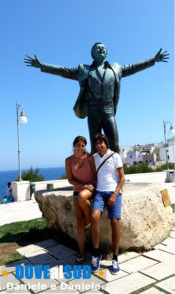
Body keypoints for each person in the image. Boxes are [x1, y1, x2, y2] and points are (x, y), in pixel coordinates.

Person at [24, 43, 169, 153]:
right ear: (92, 53)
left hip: (108, 110)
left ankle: (117, 174)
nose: (101, 49)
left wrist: (153, 60)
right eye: (98, 48)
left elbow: (134, 67)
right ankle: (96, 175)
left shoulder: (116, 68)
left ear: (106, 53)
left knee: (115, 143)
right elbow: (64, 71)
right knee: (95, 145)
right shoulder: (84, 70)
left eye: (103, 48)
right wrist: (43, 65)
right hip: (92, 110)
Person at [91, 134, 125, 274]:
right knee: (94, 217)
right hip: (99, 192)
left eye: (101, 143)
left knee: (114, 222)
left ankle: (115, 258)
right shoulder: (94, 157)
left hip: (114, 192)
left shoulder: (115, 156)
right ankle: (96, 253)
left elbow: (122, 178)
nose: (99, 146)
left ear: (106, 143)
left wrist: (115, 195)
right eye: (96, 143)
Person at [65, 136, 96, 264]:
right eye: (78, 145)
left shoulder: (89, 158)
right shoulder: (68, 161)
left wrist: (94, 186)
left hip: (91, 188)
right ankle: (82, 254)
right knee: (79, 221)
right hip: (78, 189)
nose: (80, 148)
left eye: (83, 145)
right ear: (74, 146)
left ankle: (88, 222)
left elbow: (95, 173)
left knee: (83, 196)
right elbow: (70, 180)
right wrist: (83, 186)